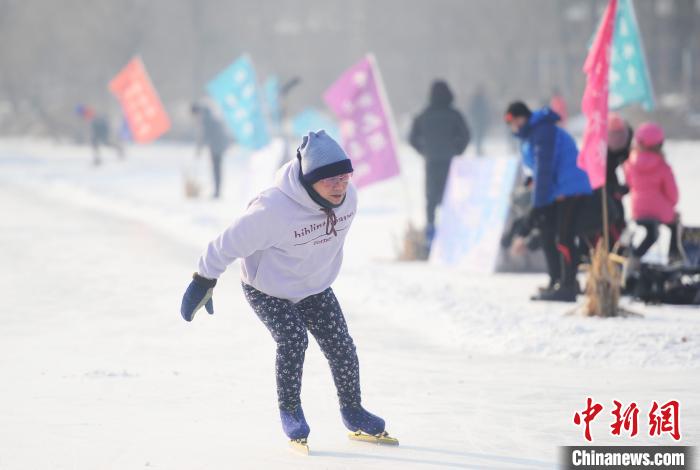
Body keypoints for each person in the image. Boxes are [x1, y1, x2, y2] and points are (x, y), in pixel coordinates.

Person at [179, 130, 392, 447]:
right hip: (268, 289)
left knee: (341, 346)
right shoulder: (271, 211)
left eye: (345, 177)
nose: (340, 186)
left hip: (315, 287)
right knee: (293, 338)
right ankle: (290, 410)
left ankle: (353, 409)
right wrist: (203, 281)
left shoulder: (350, 200)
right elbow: (223, 245)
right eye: (330, 179)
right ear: (309, 179)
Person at [504, 101, 592, 302]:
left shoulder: (541, 131)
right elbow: (538, 169)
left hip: (570, 188)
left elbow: (545, 168)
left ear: (521, 118)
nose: (512, 127)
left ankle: (568, 286)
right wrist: (532, 182)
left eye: (513, 121)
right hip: (557, 188)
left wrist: (538, 205)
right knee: (548, 234)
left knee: (564, 237)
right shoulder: (532, 133)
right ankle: (557, 281)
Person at [409, 80, 470, 249]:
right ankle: (451, 233)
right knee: (450, 197)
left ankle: (431, 233)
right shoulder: (454, 115)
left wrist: (424, 150)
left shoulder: (424, 115)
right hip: (450, 162)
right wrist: (457, 150)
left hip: (431, 161)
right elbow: (466, 136)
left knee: (431, 199)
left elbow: (412, 138)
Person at [623, 122, 681, 265]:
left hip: (638, 210)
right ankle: (674, 257)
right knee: (675, 224)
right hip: (661, 211)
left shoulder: (630, 163)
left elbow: (630, 183)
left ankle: (634, 258)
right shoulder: (663, 166)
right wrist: (671, 205)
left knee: (651, 233)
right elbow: (672, 194)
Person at [191, 102, 230, 199]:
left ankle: (217, 192)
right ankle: (217, 191)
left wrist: (199, 149)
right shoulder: (208, 114)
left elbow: (203, 135)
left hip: (216, 146)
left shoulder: (205, 118)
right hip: (219, 145)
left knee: (216, 169)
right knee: (217, 169)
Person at [606, 113, 633, 246]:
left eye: (621, 136)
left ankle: (622, 246)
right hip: (602, 188)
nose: (618, 140)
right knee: (613, 218)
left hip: (613, 184)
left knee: (619, 218)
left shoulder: (624, 145)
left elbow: (628, 162)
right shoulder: (602, 152)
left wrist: (627, 186)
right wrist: (615, 189)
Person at [467, 84, 490, 156]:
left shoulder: (483, 100)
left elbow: (486, 110)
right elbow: (471, 110)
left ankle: (478, 148)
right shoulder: (475, 100)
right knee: (478, 135)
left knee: (480, 135)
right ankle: (478, 149)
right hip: (477, 121)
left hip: (481, 121)